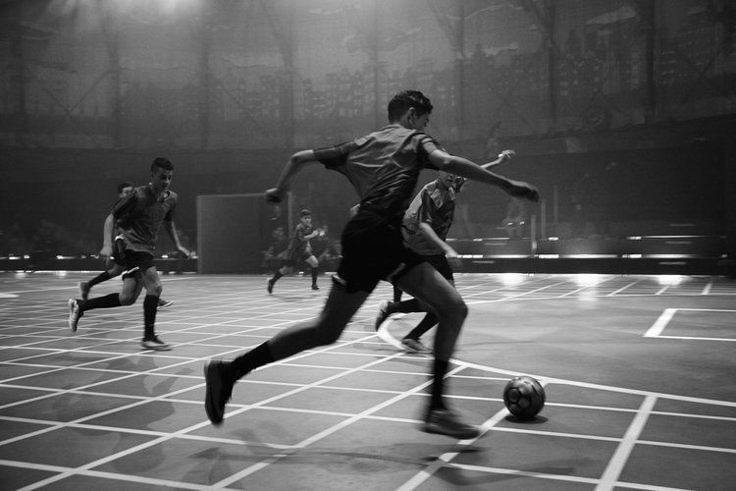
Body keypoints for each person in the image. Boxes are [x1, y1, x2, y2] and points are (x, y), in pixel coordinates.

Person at [203, 90, 539, 439]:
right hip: (380, 233)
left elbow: (299, 157)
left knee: (327, 329)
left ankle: (229, 372)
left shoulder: (361, 143)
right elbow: (449, 163)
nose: (427, 127)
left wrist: (279, 189)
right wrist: (507, 185)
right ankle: (436, 408)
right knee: (452, 309)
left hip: (366, 233)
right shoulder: (415, 139)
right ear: (412, 115)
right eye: (425, 120)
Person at [374, 150, 516, 354]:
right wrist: (448, 249)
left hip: (434, 250)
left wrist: (498, 161)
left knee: (445, 303)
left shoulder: (452, 185)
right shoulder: (430, 193)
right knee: (447, 303)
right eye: (447, 171)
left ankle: (399, 318)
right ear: (438, 171)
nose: (452, 174)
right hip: (422, 250)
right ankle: (405, 326)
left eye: (454, 171)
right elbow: (424, 226)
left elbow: (476, 172)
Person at [67, 157, 190, 350]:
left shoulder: (172, 198)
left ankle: (81, 306)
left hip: (146, 248)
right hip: (130, 246)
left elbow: (169, 223)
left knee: (127, 298)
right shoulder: (137, 196)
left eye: (169, 178)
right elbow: (111, 216)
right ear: (152, 175)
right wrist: (107, 244)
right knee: (155, 287)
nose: (165, 181)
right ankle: (148, 337)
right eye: (161, 177)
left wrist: (178, 245)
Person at [78, 182, 173, 309]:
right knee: (137, 270)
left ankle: (87, 285)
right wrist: (108, 244)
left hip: (132, 244)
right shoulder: (121, 208)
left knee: (116, 271)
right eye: (126, 192)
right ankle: (155, 296)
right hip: (122, 243)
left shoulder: (136, 204)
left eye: (130, 191)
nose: (129, 194)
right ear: (120, 195)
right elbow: (112, 221)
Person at [267, 209, 322, 293]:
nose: (307, 219)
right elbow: (301, 238)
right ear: (301, 219)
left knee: (315, 263)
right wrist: (313, 235)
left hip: (303, 250)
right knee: (285, 270)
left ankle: (314, 285)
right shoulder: (299, 227)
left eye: (309, 218)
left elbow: (306, 239)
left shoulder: (309, 226)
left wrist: (308, 245)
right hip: (294, 252)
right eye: (305, 218)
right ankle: (272, 281)